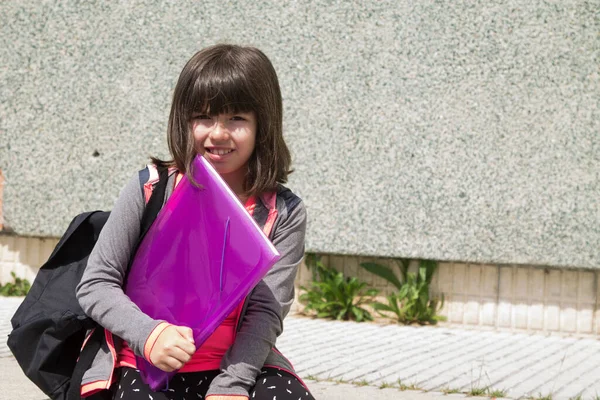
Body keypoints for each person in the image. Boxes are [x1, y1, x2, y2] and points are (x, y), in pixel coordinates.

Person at [76, 44, 314, 400]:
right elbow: (96, 284)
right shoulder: (151, 188)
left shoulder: (284, 211)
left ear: (263, 124)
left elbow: (266, 312)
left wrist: (230, 387)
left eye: (237, 119)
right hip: (141, 362)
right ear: (184, 120)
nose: (217, 134)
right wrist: (149, 335)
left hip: (235, 368)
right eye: (203, 117)